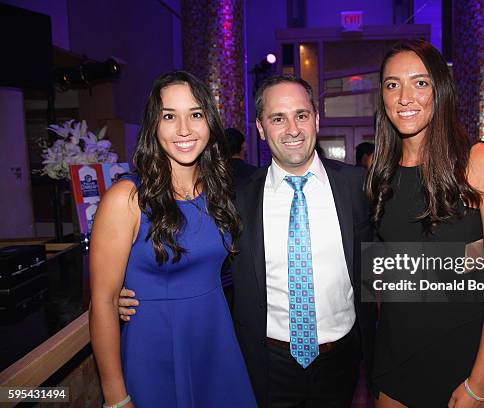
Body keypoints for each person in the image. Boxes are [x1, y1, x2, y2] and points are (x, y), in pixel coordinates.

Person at [120, 75, 376, 407]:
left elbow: (384, 260)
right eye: (278, 118)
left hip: (341, 361)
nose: (292, 129)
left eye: (301, 115)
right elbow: (196, 252)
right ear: (260, 127)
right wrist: (129, 291)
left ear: (316, 118)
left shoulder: (357, 186)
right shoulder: (235, 197)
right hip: (264, 364)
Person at [89, 71, 256, 407]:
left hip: (216, 342)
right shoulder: (126, 198)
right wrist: (115, 396)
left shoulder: (218, 192)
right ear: (153, 125)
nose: (184, 129)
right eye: (169, 116)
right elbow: (103, 304)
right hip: (154, 350)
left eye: (195, 114)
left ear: (209, 123)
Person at [364, 40, 484, 407]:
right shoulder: (379, 173)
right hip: (395, 358)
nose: (404, 97)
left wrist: (479, 383)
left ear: (440, 90)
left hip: (463, 361)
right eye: (392, 84)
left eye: (420, 83)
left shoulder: (478, 163)